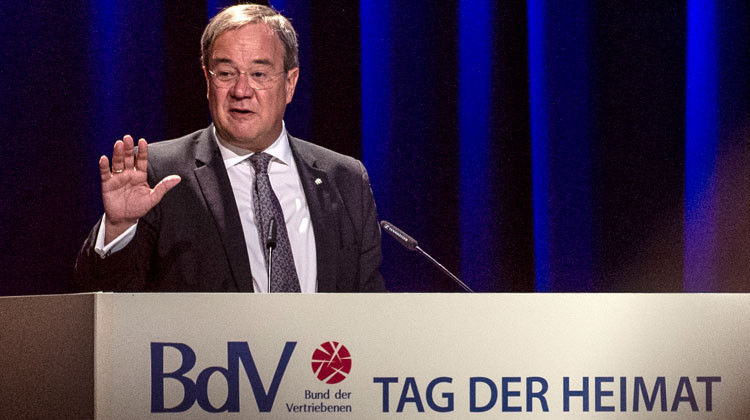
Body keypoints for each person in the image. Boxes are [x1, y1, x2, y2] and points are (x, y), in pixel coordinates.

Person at [74, 4, 386, 293]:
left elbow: (370, 307)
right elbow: (104, 301)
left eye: (259, 74)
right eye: (225, 74)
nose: (241, 90)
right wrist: (119, 227)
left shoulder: (345, 179)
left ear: (290, 83)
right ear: (207, 80)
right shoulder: (160, 175)